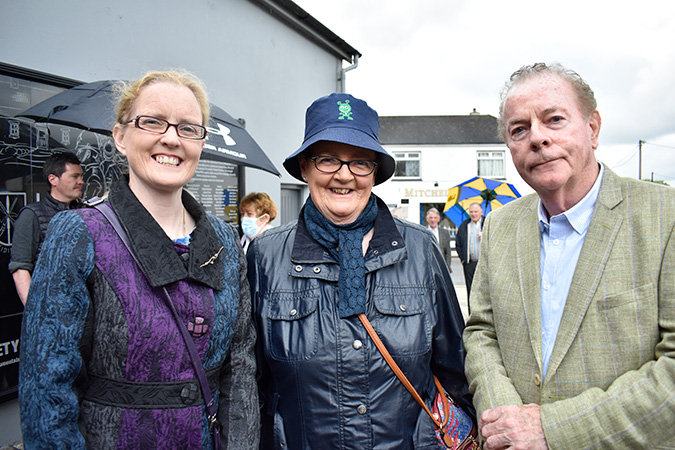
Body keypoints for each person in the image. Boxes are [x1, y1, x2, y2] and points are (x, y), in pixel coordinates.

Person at [19, 71, 259, 449]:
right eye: (152, 121)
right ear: (120, 137)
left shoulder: (225, 240)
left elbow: (240, 367)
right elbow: (47, 386)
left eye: (188, 128)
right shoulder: (78, 234)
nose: (171, 138)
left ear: (202, 143)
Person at [463, 62, 675, 449]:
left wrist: (553, 430)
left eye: (554, 119)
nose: (537, 139)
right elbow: (481, 332)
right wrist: (504, 417)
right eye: (519, 129)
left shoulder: (666, 217)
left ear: (592, 128)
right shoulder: (500, 227)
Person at [247, 93, 473, 449]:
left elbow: (457, 371)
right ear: (304, 167)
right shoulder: (266, 254)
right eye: (327, 160)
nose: (344, 175)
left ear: (374, 173)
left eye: (360, 163)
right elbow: (251, 382)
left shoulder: (420, 248)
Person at [9, 151, 83, 304]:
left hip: (84, 311)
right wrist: (35, 314)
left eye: (81, 176)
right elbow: (20, 269)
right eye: (74, 176)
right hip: (50, 310)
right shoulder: (32, 215)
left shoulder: (86, 213)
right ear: (53, 179)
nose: (81, 181)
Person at [454, 202, 483, 302]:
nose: (473, 214)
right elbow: (458, 243)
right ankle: (472, 314)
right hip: (469, 264)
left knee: (483, 290)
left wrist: (485, 235)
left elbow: (496, 239)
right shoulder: (464, 225)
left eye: (476, 211)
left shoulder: (487, 224)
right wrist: (463, 259)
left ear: (481, 212)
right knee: (470, 290)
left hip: (483, 264)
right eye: (471, 212)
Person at [425, 207, 452, 271]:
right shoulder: (423, 232)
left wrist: (447, 266)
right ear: (427, 219)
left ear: (438, 219)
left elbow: (448, 251)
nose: (433, 220)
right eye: (431, 218)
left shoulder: (445, 232)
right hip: (427, 266)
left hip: (441, 266)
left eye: (435, 218)